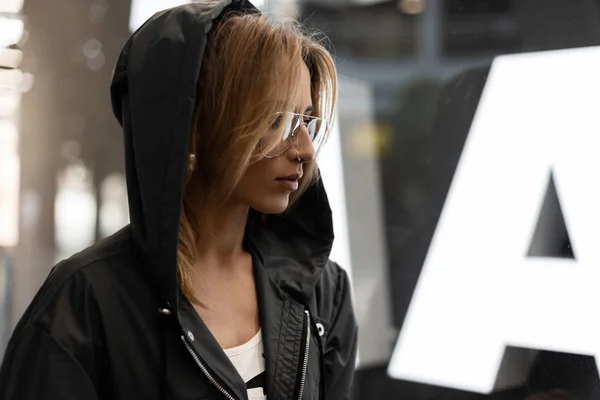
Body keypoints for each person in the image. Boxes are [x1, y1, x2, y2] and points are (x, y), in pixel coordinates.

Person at [0, 1, 358, 399]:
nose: (305, 150)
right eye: (277, 121)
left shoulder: (323, 293)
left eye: (305, 120)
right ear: (193, 128)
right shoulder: (84, 302)